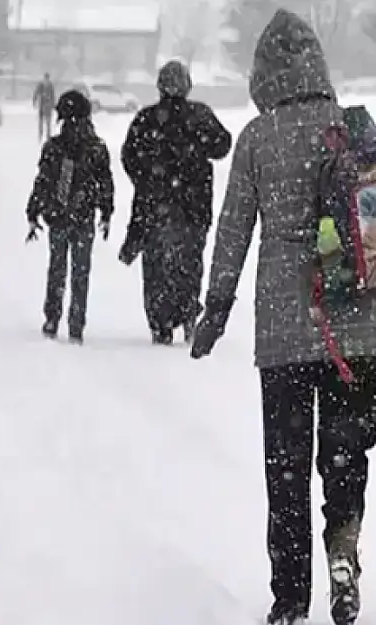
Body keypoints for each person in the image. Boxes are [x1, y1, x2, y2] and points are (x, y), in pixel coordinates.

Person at [190, 10, 376, 625]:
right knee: (344, 453)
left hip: (285, 329)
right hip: (355, 325)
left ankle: (290, 599)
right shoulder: (351, 129)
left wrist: (216, 307)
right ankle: (344, 551)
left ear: (264, 73)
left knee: (288, 467)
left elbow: (234, 229)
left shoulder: (258, 137)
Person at [119, 59, 231, 345]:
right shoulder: (199, 116)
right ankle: (188, 311)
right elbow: (222, 144)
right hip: (193, 207)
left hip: (154, 208)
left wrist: (147, 177)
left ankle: (160, 322)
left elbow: (128, 157)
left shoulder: (147, 119)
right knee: (189, 262)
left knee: (156, 266)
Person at [25, 90, 114, 344]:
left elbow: (42, 182)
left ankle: (52, 317)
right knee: (80, 271)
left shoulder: (54, 147)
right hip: (83, 217)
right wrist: (106, 212)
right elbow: (105, 183)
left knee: (57, 268)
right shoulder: (96, 148)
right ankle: (76, 323)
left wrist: (33, 211)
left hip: (58, 216)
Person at [32, 73, 56, 142]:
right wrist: (53, 104)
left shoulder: (42, 84)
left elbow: (36, 93)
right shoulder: (48, 84)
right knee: (46, 122)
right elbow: (53, 95)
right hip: (45, 106)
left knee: (43, 122)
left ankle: (41, 136)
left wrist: (34, 100)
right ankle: (45, 136)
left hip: (43, 106)